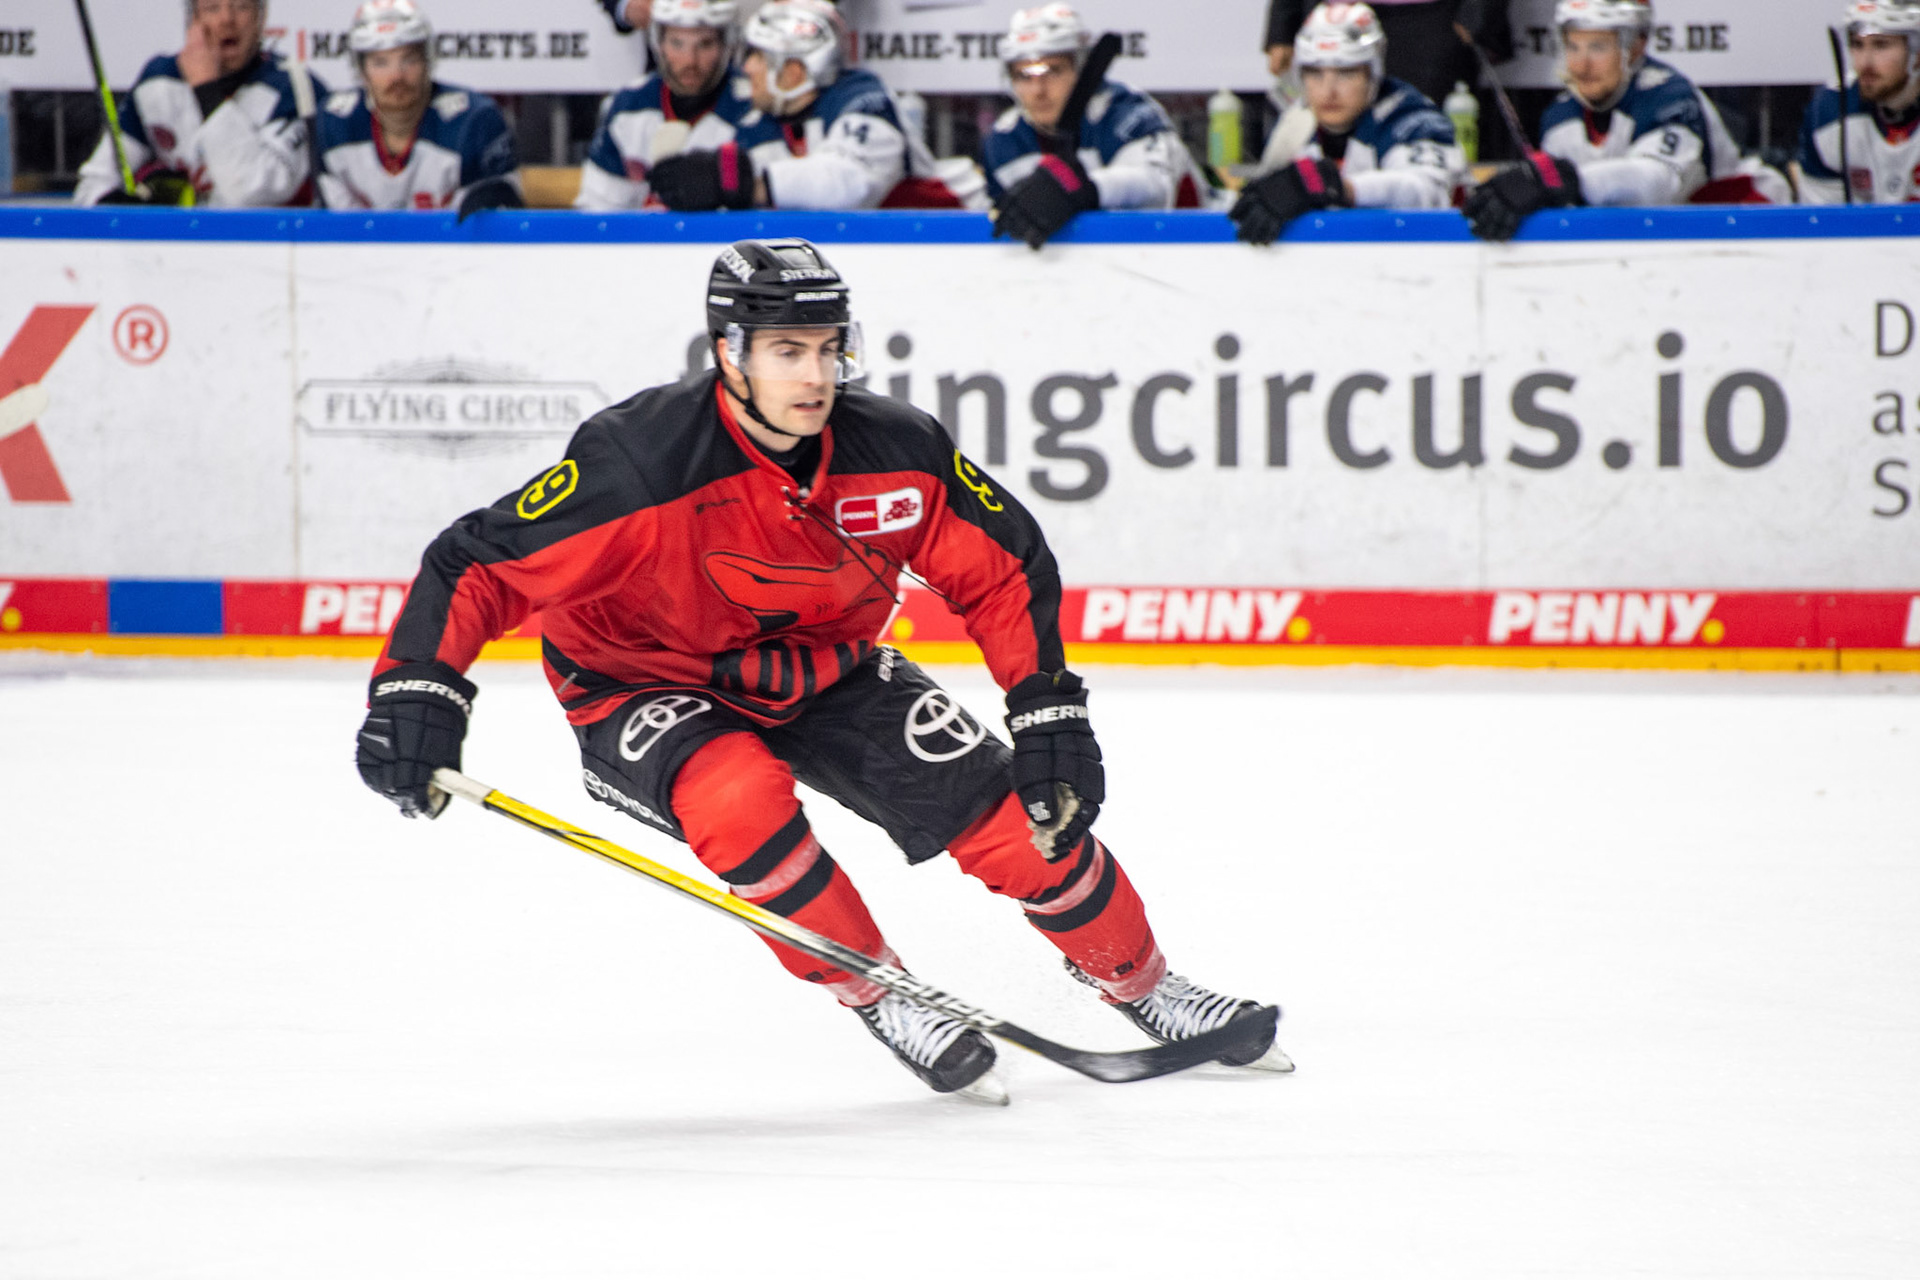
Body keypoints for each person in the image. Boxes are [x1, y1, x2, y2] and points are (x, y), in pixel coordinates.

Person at [353, 237, 1292, 1104]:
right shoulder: (636, 465)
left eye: (828, 348)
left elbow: (1004, 567)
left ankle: (1145, 985)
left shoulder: (897, 451)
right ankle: (882, 992)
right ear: (730, 352)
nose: (815, 375)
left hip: (829, 669)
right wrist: (419, 689)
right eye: (787, 350)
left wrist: (1050, 716)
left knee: (1019, 823)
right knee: (738, 799)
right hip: (643, 679)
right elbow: (473, 564)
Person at [1464, 0, 1786, 240]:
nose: (1581, 65)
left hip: (1743, 231)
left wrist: (1561, 179)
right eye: (1572, 46)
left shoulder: (1670, 96)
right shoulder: (1560, 115)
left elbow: (1654, 185)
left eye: (1598, 47)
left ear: (1635, 47)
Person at [646, 1, 958, 212]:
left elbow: (851, 183)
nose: (748, 68)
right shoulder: (758, 123)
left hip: (953, 253)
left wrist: (750, 186)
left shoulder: (864, 98)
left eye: (759, 57)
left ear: (793, 71)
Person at [1232, 2, 1464, 245]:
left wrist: (1339, 188)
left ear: (1373, 73)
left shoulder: (1412, 117)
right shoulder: (1295, 125)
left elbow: (1425, 192)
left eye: (1346, 72)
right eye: (1315, 73)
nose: (1328, 91)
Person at [982, 4, 1206, 250]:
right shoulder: (1004, 139)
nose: (1038, 91)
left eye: (1053, 71)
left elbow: (1154, 186)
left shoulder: (1125, 110)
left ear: (1081, 67)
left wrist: (1084, 188)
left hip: (1193, 255)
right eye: (1024, 75)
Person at [73, 0, 321, 207]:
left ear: (261, 17)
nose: (227, 19)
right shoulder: (158, 82)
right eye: (213, 8)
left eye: (241, 6)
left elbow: (248, 192)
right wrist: (121, 209)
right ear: (192, 21)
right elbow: (93, 185)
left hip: (269, 253)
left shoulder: (293, 88)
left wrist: (206, 89)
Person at [313, 1, 520, 215]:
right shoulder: (332, 124)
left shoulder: (476, 121)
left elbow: (498, 220)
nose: (396, 76)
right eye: (381, 62)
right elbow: (340, 230)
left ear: (427, 61)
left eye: (408, 59)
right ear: (361, 70)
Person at [576, 0, 757, 211]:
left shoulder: (754, 107)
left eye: (705, 44)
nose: (690, 61)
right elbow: (598, 212)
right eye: (677, 43)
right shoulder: (628, 106)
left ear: (726, 44)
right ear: (659, 43)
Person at [1263, 0, 1511, 106]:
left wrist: (1480, 10)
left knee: (1423, 123)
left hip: (1432, 18)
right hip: (1336, 14)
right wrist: (1283, 24)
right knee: (1336, 122)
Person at [1799, 0, 1920, 203]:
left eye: (1881, 45)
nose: (1865, 62)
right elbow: (1827, 224)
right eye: (1857, 44)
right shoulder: (1830, 113)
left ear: (1917, 55)